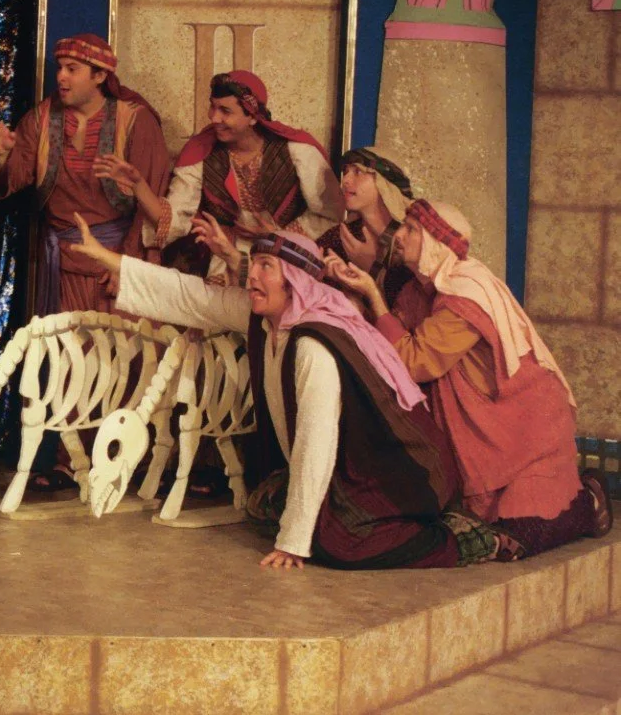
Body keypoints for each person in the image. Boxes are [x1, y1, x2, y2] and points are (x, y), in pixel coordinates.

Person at [72, 217, 503, 570]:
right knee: (267, 504)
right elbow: (193, 297)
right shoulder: (267, 316)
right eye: (254, 263)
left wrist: (294, 543)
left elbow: (317, 442)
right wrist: (107, 257)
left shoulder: (314, 344)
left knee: (339, 545)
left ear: (293, 280)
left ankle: (463, 539)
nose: (252, 276)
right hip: (352, 465)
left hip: (403, 468)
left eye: (265, 267)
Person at [329, 200, 612, 558]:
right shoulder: (420, 289)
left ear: (436, 240)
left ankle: (590, 499)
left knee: (518, 535)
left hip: (523, 431)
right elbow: (393, 341)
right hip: (484, 431)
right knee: (479, 522)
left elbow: (415, 361)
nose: (398, 236)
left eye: (411, 230)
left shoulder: (466, 295)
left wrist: (373, 298)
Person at [0, 33, 170, 315]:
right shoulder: (42, 118)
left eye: (72, 69)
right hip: (64, 268)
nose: (61, 77)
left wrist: (127, 264)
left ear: (99, 76)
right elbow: (15, 180)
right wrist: (2, 156)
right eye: (59, 67)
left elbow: (152, 201)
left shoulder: (135, 120)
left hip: (115, 265)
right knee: (70, 354)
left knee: (119, 352)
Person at [115, 70, 342, 283]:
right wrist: (139, 186)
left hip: (289, 259)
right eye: (212, 107)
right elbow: (176, 220)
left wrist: (279, 236)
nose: (214, 118)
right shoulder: (201, 152)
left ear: (252, 117)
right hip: (223, 258)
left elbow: (331, 213)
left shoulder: (297, 151)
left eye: (225, 111)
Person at [317, 145, 417, 312]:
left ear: (384, 183)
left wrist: (370, 266)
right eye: (346, 172)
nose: (346, 180)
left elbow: (411, 311)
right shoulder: (343, 235)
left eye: (358, 172)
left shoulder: (414, 238)